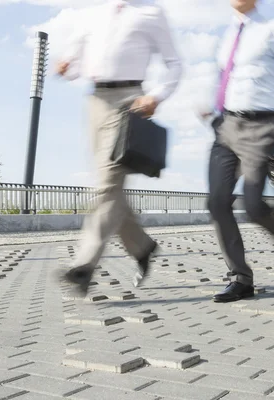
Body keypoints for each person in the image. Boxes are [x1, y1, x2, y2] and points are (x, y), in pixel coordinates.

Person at [56, 0, 183, 295]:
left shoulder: (151, 12)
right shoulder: (93, 13)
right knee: (110, 191)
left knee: (105, 187)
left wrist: (156, 96)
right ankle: (143, 247)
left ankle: (83, 267)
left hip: (130, 101)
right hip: (95, 101)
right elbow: (76, 60)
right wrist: (67, 65)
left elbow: (175, 64)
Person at [202, 0, 274, 303]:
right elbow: (224, 79)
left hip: (261, 125)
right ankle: (240, 278)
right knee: (217, 203)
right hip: (226, 126)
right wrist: (212, 110)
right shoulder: (226, 35)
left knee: (252, 205)